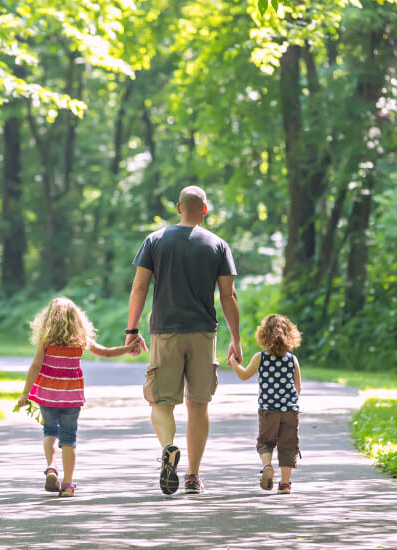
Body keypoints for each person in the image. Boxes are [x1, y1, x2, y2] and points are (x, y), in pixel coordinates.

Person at [125, 185, 241, 495]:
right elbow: (228, 296)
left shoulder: (155, 240)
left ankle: (168, 447)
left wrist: (132, 330)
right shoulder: (218, 245)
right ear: (205, 210)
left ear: (179, 207)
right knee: (198, 404)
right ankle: (192, 476)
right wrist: (236, 339)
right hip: (204, 334)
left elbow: (139, 289)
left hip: (166, 332)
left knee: (161, 402)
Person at [15, 297, 140, 497]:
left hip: (48, 395)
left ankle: (51, 467)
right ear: (77, 319)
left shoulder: (46, 341)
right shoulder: (80, 340)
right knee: (69, 438)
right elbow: (106, 353)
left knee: (50, 431)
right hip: (71, 398)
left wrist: (25, 394)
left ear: (49, 319)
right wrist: (128, 347)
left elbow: (36, 366)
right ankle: (67, 484)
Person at [227, 314, 302, 494]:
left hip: (268, 410)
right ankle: (285, 484)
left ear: (263, 335)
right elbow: (298, 387)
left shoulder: (261, 358)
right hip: (290, 411)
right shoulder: (292, 360)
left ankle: (267, 466)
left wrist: (233, 363)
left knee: (266, 443)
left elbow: (244, 375)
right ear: (290, 335)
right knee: (288, 446)